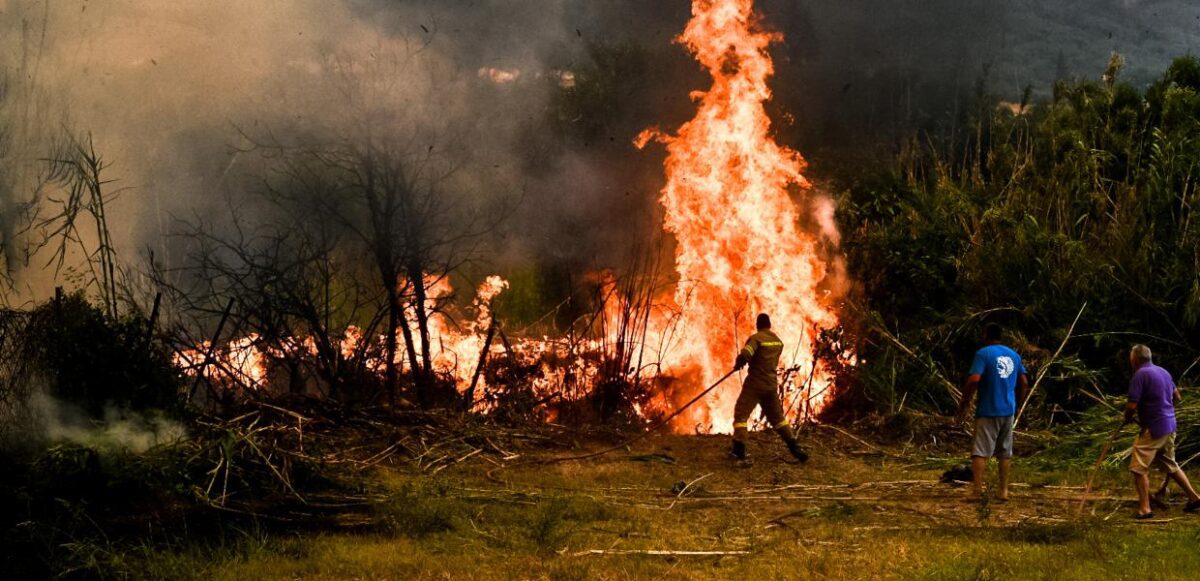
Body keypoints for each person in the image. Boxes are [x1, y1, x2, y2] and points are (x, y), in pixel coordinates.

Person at [1124, 344, 1200, 519]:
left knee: (1138, 468)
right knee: (1169, 464)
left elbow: (1132, 405)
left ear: (1134, 358)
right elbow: (1177, 397)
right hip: (1170, 425)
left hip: (1154, 428)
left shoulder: (1139, 375)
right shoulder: (1163, 372)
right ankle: (1194, 497)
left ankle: (1145, 508)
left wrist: (1127, 417)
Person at [957, 323, 1028, 501]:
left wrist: (965, 399)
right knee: (1005, 452)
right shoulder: (1014, 355)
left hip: (988, 409)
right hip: (1008, 410)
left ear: (986, 335)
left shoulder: (983, 354)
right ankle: (1003, 491)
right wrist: (1019, 403)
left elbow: (974, 379)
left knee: (980, 451)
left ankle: (977, 491)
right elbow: (1024, 381)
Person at [730, 313, 808, 463]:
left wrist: (739, 362)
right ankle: (794, 447)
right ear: (769, 325)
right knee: (778, 419)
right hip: (771, 385)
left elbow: (747, 353)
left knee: (741, 413)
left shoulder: (756, 338)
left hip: (755, 384)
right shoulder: (778, 342)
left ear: (758, 325)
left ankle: (738, 449)